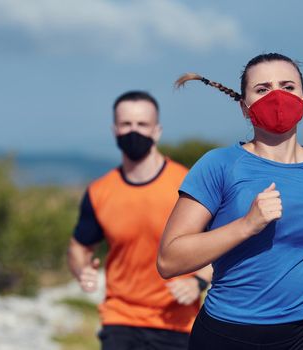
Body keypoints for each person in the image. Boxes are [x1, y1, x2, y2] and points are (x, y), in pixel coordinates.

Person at [157, 53, 303, 350]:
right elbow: (169, 260)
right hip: (228, 335)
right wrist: (246, 225)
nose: (277, 96)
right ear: (243, 106)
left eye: (288, 87)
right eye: (262, 89)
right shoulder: (219, 165)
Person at [68, 90, 213, 350]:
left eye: (142, 124)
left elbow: (219, 246)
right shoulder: (100, 192)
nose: (133, 131)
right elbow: (79, 247)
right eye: (126, 124)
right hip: (120, 317)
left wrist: (198, 282)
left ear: (157, 131)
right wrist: (82, 270)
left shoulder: (187, 185)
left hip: (176, 320)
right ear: (114, 130)